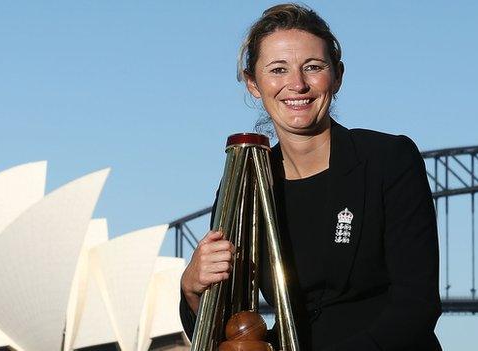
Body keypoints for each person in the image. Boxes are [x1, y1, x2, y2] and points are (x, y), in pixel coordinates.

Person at [180, 3, 442, 350]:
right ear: (253, 83)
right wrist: (192, 288)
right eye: (278, 70)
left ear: (337, 75)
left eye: (313, 67)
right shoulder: (247, 185)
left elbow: (416, 306)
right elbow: (229, 326)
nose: (297, 84)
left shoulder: (388, 159)